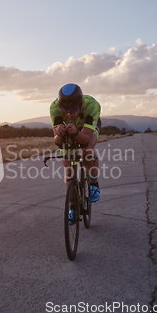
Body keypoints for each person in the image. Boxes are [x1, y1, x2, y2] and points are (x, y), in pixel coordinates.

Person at [50, 83, 101, 224]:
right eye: (65, 110)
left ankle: (94, 183)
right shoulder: (54, 107)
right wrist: (59, 134)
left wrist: (77, 132)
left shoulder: (92, 105)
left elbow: (84, 139)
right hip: (68, 129)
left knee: (87, 149)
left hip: (86, 128)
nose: (69, 113)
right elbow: (58, 142)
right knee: (68, 165)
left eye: (73, 109)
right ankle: (72, 206)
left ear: (80, 104)